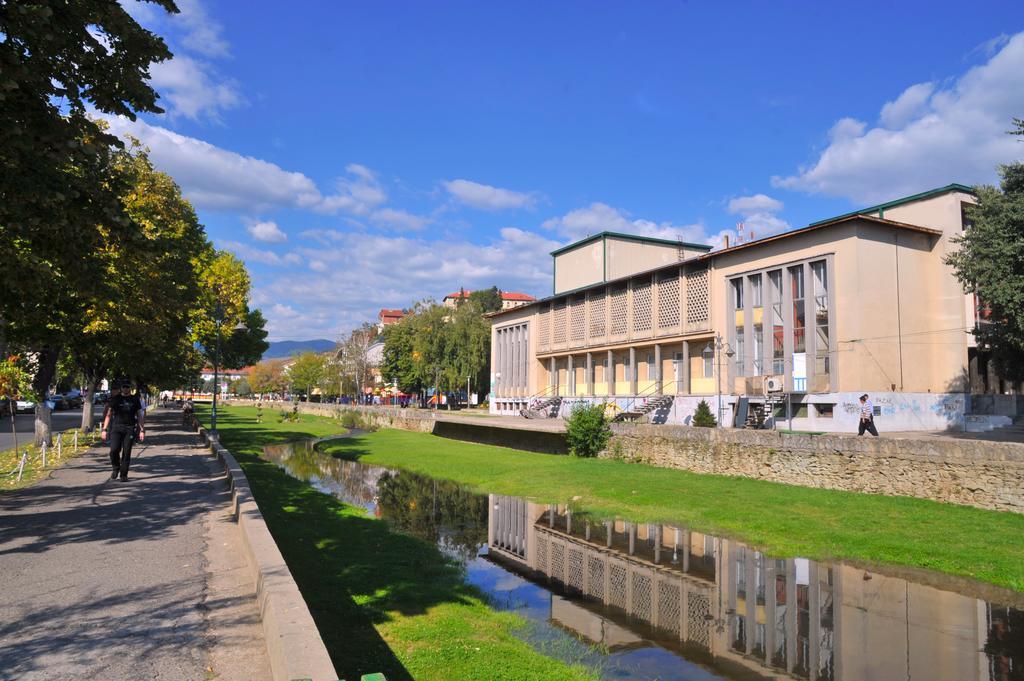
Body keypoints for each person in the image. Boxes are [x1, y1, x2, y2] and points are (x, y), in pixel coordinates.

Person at [101, 379, 146, 481]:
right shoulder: (115, 399)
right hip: (116, 428)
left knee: (126, 452)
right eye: (124, 387)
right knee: (113, 450)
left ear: (130, 388)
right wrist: (104, 429)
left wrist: (142, 430)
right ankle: (115, 468)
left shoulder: (135, 399)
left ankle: (123, 474)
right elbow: (108, 415)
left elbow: (139, 415)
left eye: (127, 387)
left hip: (129, 428)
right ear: (121, 388)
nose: (126, 389)